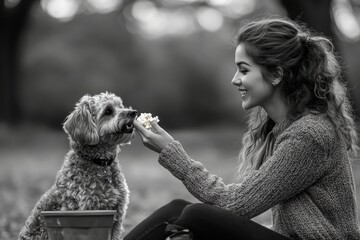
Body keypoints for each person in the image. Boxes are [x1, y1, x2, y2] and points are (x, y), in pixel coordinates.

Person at [126, 16, 360, 240]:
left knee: (197, 216)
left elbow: (235, 204)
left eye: (244, 70)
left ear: (276, 74)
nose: (235, 79)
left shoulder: (309, 134)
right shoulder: (287, 128)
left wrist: (173, 154)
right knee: (178, 210)